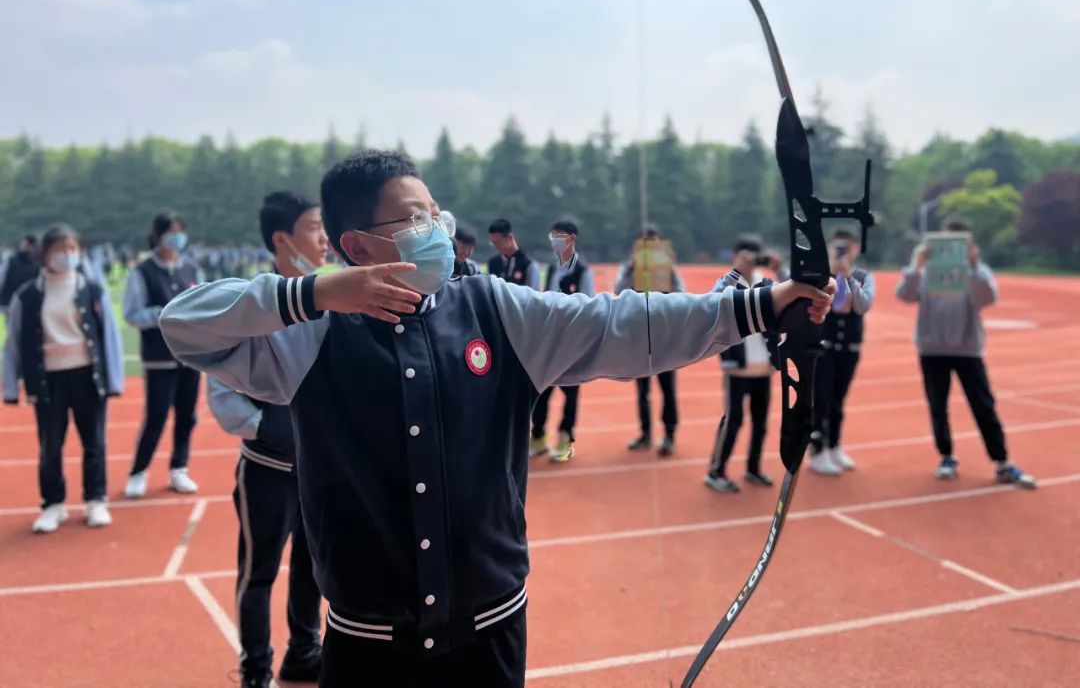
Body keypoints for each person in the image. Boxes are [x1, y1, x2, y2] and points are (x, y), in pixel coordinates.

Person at [158, 149, 833, 688]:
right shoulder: (309, 333)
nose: (439, 230)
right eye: (416, 220)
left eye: (437, 214)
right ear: (357, 247)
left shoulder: (497, 309)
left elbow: (620, 324)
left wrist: (762, 305)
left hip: (491, 634)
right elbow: (183, 326)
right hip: (367, 644)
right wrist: (313, 293)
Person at [207, 192, 325, 688]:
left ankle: (304, 651)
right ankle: (255, 667)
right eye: (314, 228)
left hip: (317, 468)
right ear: (282, 239)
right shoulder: (251, 305)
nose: (325, 238)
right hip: (267, 470)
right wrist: (271, 429)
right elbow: (222, 393)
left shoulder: (331, 297)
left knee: (312, 566)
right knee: (259, 572)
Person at [3, 225, 125, 533]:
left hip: (87, 375)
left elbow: (109, 336)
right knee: (51, 445)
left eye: (72, 249)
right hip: (48, 380)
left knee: (94, 441)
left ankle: (95, 499)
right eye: (59, 249)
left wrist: (114, 379)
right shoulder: (27, 296)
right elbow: (13, 343)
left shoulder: (92, 290)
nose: (67, 255)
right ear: (44, 254)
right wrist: (10, 386)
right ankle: (53, 504)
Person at [896, 219, 1035, 487]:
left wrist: (972, 265)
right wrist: (916, 265)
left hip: (968, 350)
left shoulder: (977, 272)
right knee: (938, 405)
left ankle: (1002, 461)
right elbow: (904, 295)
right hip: (932, 349)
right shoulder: (926, 272)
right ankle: (946, 456)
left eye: (959, 243)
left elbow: (988, 298)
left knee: (983, 405)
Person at [122, 212, 204, 498]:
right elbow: (131, 314)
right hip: (159, 356)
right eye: (171, 232)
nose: (176, 238)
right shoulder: (142, 272)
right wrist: (163, 313)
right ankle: (139, 470)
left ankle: (179, 468)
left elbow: (204, 302)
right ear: (157, 236)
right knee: (156, 415)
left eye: (180, 231)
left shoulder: (191, 268)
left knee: (187, 415)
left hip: (190, 355)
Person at [704, 235, 778, 492]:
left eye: (753, 255)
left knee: (761, 424)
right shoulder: (728, 283)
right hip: (737, 368)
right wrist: (736, 272)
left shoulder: (766, 282)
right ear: (735, 256)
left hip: (763, 367)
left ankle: (753, 468)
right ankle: (716, 471)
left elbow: (784, 308)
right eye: (743, 255)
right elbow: (711, 307)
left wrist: (779, 268)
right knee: (733, 422)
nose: (748, 260)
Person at [808, 228, 875, 476]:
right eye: (838, 247)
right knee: (821, 399)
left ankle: (834, 445)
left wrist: (847, 276)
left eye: (848, 248)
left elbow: (861, 305)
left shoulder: (862, 276)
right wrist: (832, 273)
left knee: (838, 400)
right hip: (823, 348)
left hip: (849, 347)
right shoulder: (818, 275)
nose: (843, 252)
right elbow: (824, 304)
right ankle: (817, 450)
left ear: (856, 249)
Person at [616, 225, 686, 456]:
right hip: (640, 339)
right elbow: (618, 293)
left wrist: (670, 271)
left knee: (668, 390)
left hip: (664, 339)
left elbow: (682, 296)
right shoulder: (629, 268)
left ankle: (669, 435)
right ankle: (646, 434)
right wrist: (630, 268)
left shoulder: (668, 269)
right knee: (642, 390)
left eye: (654, 244)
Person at [530, 221, 595, 462]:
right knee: (542, 390)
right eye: (553, 235)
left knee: (570, 393)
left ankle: (565, 441)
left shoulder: (583, 270)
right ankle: (538, 436)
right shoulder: (551, 266)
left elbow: (589, 306)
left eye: (559, 236)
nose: (555, 240)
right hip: (549, 340)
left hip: (572, 342)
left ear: (572, 238)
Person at [487, 218, 540, 289]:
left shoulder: (528, 264)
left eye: (498, 243)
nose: (496, 247)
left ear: (510, 237)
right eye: (493, 243)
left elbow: (534, 292)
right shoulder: (493, 263)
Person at [0, 235, 41, 317]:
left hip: (25, 304)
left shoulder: (38, 264)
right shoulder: (11, 260)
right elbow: (2, 278)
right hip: (7, 303)